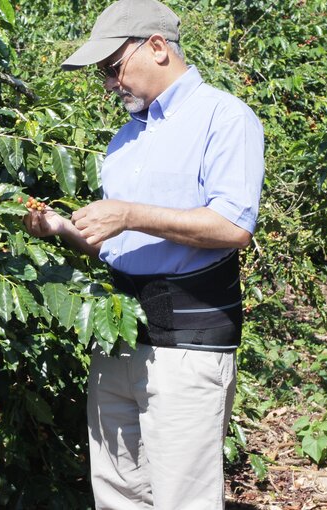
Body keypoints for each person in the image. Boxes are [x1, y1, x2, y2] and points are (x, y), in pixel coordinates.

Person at [23, 0, 265, 509]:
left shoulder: (224, 118)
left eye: (113, 68)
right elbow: (115, 245)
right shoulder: (123, 141)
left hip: (187, 346)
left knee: (183, 497)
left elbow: (233, 226)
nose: (111, 84)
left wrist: (129, 213)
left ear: (156, 47)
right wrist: (60, 227)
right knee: (117, 491)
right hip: (118, 340)